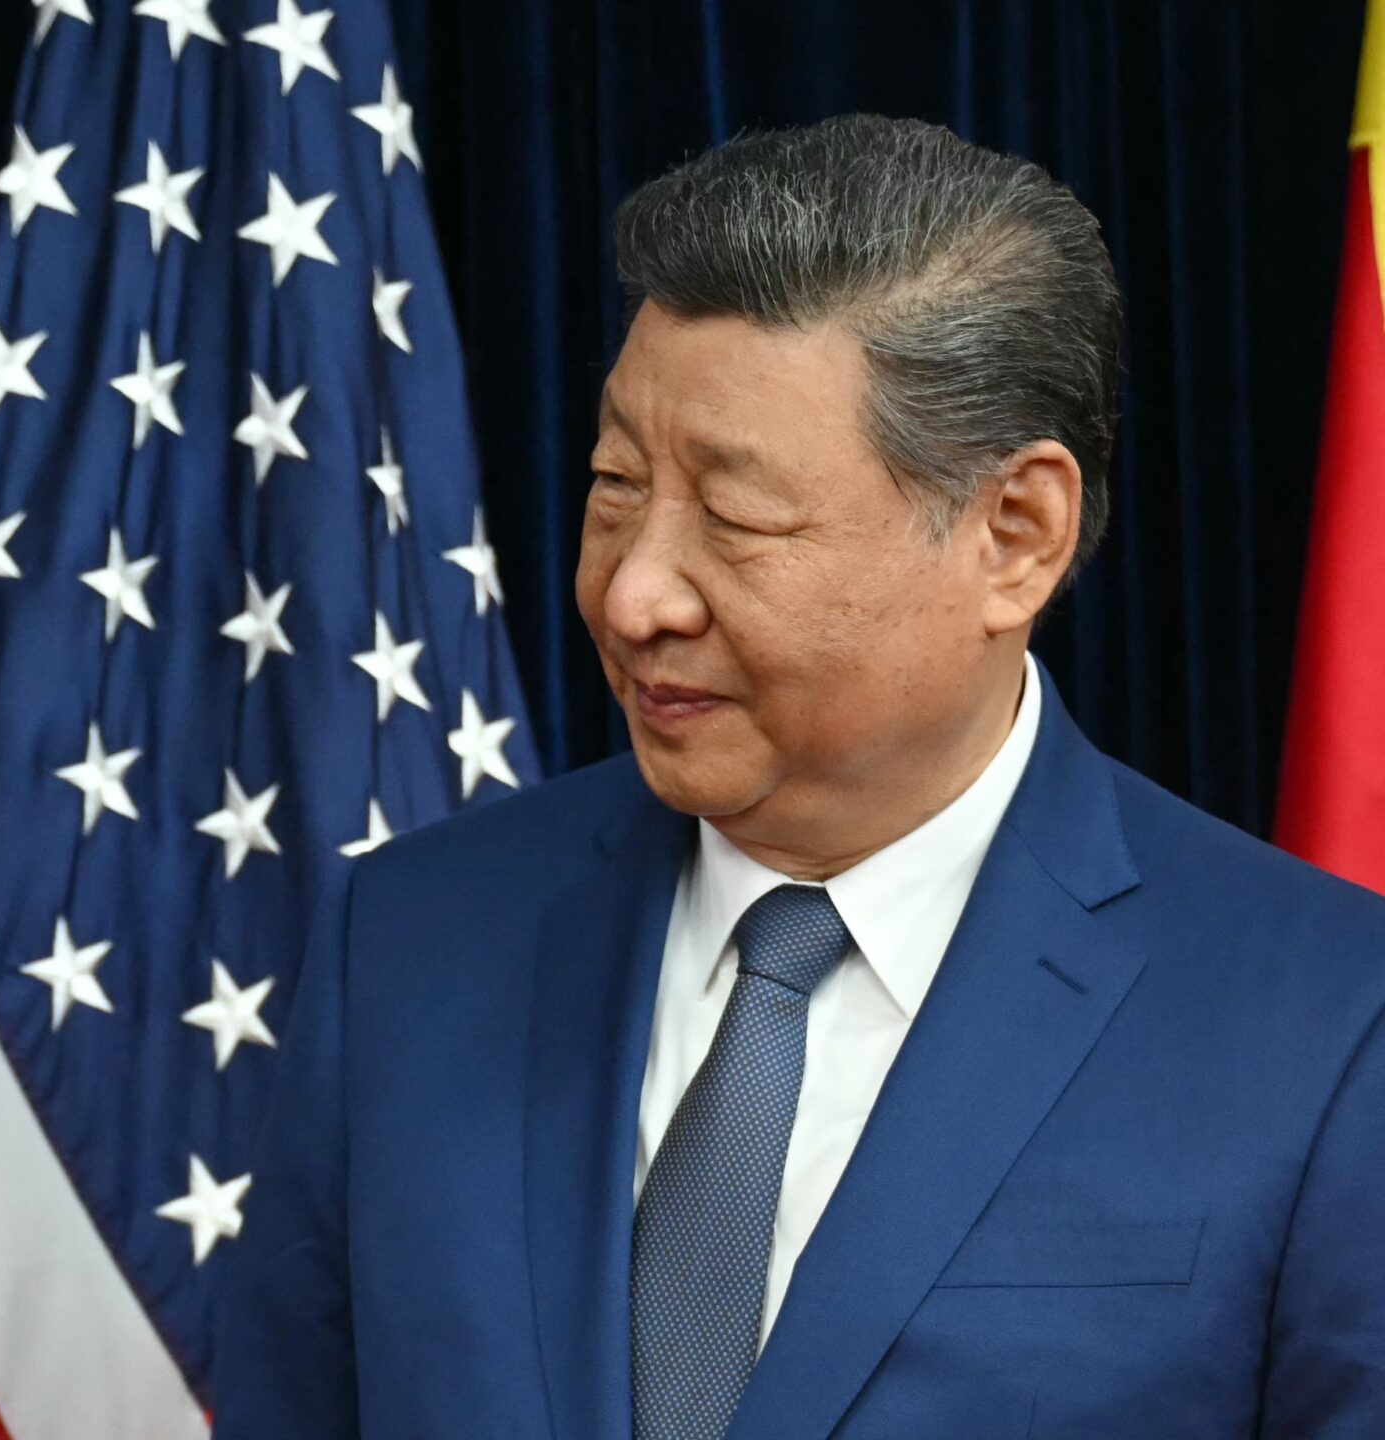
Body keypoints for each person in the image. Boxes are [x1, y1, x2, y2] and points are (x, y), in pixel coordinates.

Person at [214, 114, 1385, 1439]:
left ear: (1017, 534)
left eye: (737, 518)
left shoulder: (1331, 1027)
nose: (637, 590)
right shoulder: (416, 942)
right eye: (614, 484)